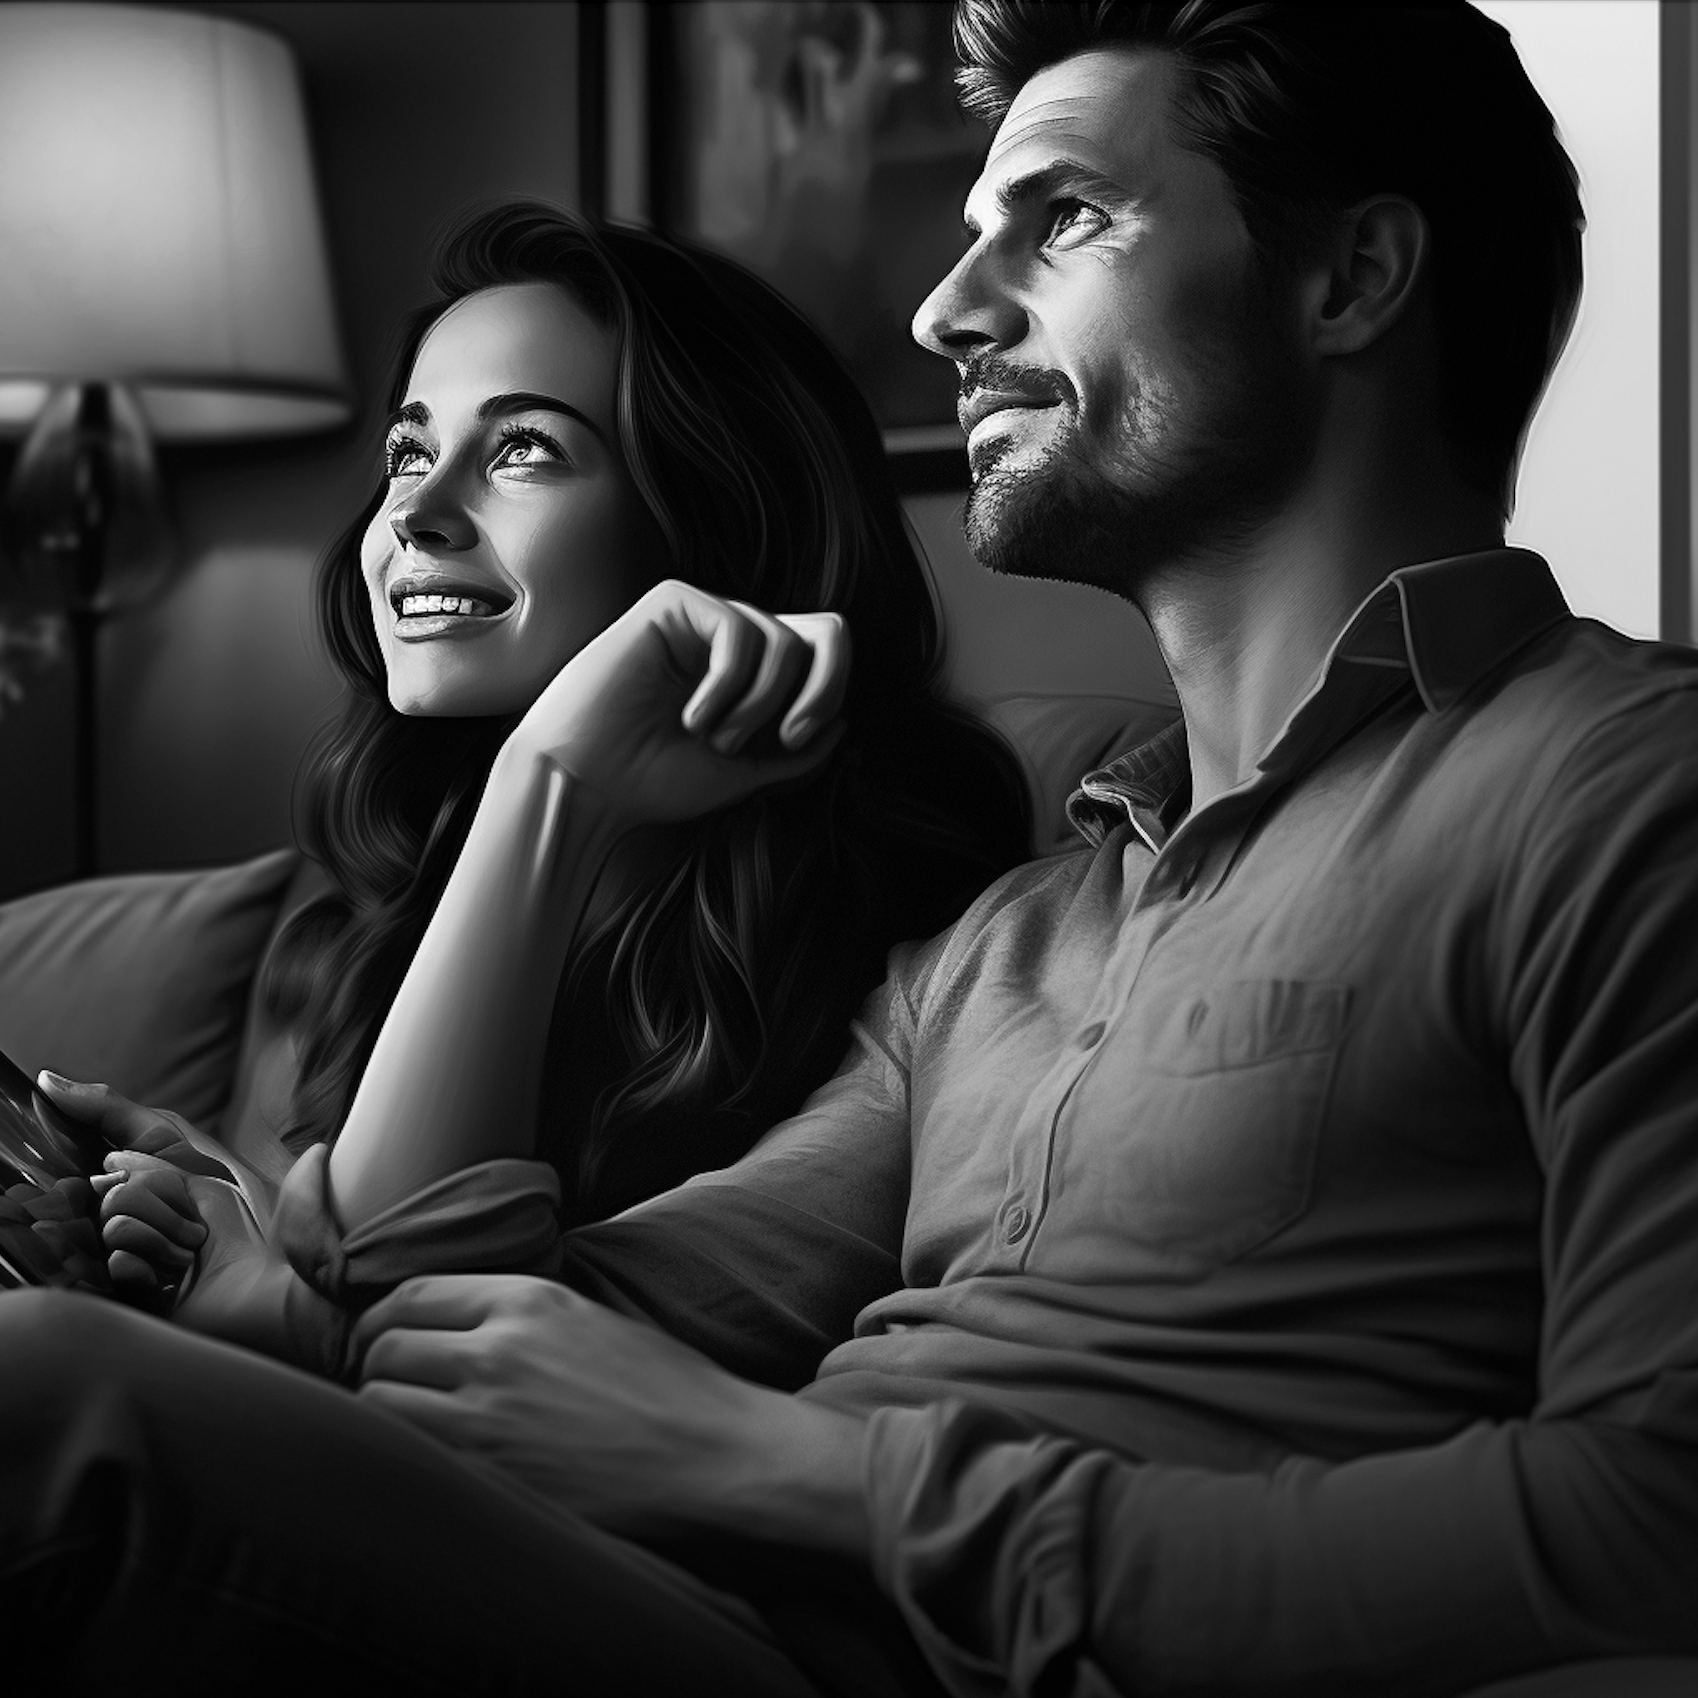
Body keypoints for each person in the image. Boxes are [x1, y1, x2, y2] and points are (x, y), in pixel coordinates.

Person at [5, 4, 1698, 1695]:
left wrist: (789, 1470)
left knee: (41, 1395)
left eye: (1062, 220)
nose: (945, 310)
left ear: (1350, 280)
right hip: (690, 1601)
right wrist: (550, 783)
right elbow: (431, 1340)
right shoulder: (1010, 933)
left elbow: (1652, 1513)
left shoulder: (1614, 784)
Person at [29, 201, 1029, 1306]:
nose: (418, 512)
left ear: (711, 521)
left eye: (523, 449)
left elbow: (403, 1316)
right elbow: (335, 1285)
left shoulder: (923, 952)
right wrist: (245, 1203)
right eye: (410, 450)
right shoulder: (367, 910)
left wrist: (551, 778)